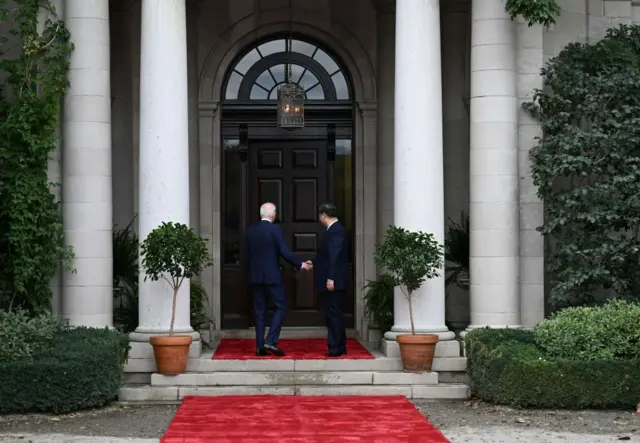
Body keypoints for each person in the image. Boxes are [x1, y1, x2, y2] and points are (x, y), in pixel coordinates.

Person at [244, 202, 311, 357]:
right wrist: (301, 264)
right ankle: (271, 340)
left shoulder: (250, 231)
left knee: (259, 312)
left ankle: (259, 347)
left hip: (255, 277)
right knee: (280, 306)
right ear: (273, 214)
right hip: (272, 276)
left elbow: (245, 257)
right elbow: (285, 253)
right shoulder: (275, 229)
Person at [306, 202, 349, 357]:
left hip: (333, 281)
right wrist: (314, 262)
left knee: (333, 316)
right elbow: (327, 254)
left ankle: (335, 348)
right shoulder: (334, 230)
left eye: (320, 216)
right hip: (333, 280)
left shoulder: (336, 231)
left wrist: (331, 278)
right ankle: (340, 346)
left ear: (324, 215)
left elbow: (334, 256)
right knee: (334, 314)